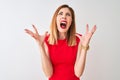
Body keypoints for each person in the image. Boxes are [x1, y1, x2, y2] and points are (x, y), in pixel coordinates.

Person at [24, 4, 96, 80]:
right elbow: (48, 74)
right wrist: (40, 46)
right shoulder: (46, 40)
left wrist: (84, 47)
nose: (64, 16)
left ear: (71, 21)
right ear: (55, 19)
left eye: (68, 14)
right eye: (60, 13)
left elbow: (78, 73)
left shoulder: (79, 39)